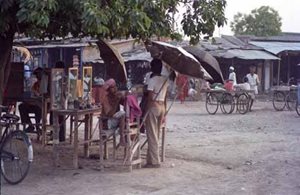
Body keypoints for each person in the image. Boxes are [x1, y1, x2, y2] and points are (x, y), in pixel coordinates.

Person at [145, 59, 169, 168]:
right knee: (156, 133)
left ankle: (155, 161)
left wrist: (147, 109)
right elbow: (166, 96)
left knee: (152, 134)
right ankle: (150, 159)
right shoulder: (165, 80)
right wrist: (165, 111)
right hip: (162, 106)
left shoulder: (152, 80)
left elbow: (150, 97)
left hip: (154, 106)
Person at [101, 78, 126, 145]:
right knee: (122, 114)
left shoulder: (115, 96)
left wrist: (124, 97)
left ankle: (123, 136)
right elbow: (109, 114)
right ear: (108, 90)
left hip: (115, 120)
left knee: (125, 115)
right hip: (107, 122)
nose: (115, 89)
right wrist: (116, 101)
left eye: (115, 87)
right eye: (112, 87)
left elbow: (125, 104)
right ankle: (122, 137)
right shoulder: (105, 99)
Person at [19, 67, 43, 133]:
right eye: (37, 75)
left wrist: (37, 96)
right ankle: (30, 125)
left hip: (41, 105)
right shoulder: (35, 84)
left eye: (39, 75)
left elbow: (42, 96)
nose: (37, 76)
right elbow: (32, 95)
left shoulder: (45, 84)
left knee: (38, 109)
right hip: (33, 104)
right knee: (21, 106)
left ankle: (38, 126)